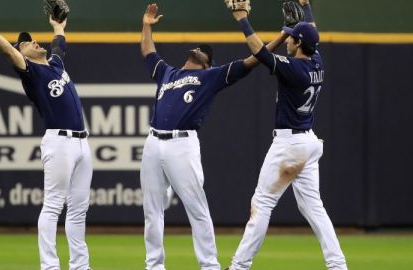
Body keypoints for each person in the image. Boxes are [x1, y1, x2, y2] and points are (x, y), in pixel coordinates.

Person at [140, 3, 288, 270]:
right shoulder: (168, 73)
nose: (198, 50)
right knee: (152, 211)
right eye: (198, 48)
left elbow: (253, 61)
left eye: (204, 52)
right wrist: (147, 26)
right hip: (152, 142)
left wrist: (283, 37)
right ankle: (154, 266)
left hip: (181, 144)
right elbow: (149, 52)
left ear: (207, 63)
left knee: (197, 209)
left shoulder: (211, 77)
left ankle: (209, 266)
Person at [0, 4, 93, 270]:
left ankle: (80, 266)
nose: (32, 41)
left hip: (82, 142)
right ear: (22, 54)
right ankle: (49, 266)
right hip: (59, 141)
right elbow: (8, 49)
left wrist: (58, 26)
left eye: (31, 39)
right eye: (26, 43)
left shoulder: (55, 64)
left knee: (79, 209)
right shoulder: (30, 72)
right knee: (53, 206)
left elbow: (59, 41)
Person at [224, 1, 348, 269]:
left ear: (298, 43)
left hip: (289, 145)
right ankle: (338, 265)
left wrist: (242, 19)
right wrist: (307, 7)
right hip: (308, 143)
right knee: (315, 209)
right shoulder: (316, 60)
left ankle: (238, 266)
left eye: (292, 38)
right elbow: (311, 31)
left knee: (262, 204)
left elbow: (258, 51)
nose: (288, 41)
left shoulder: (294, 69)